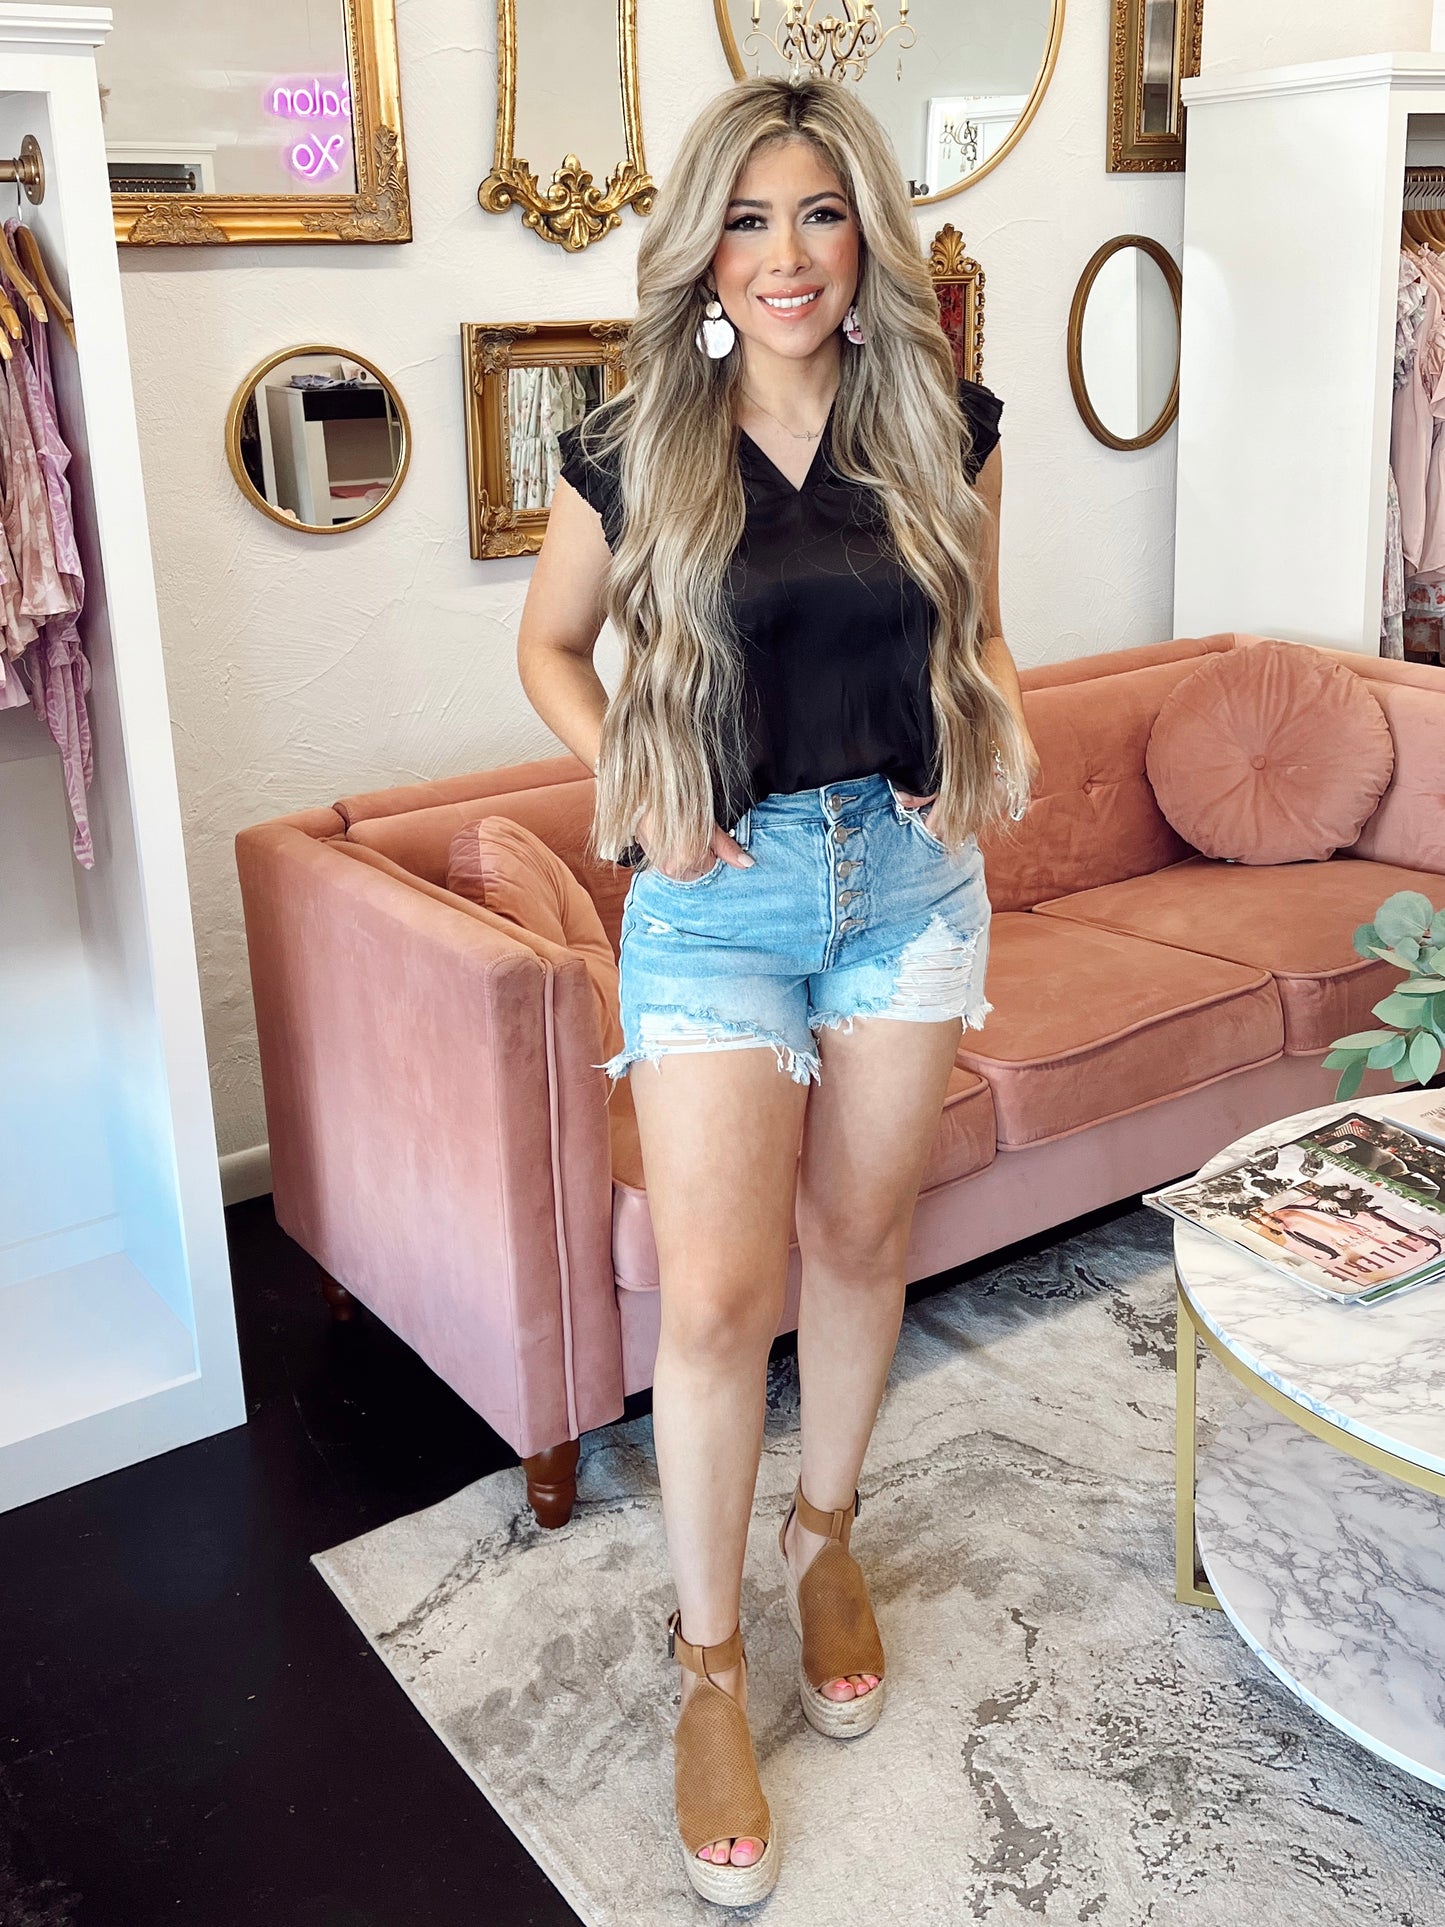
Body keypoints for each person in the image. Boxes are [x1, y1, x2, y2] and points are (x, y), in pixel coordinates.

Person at [517, 73, 1040, 1908]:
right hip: (714, 900)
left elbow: (980, 634)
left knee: (861, 1240)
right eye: (749, 217)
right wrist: (634, 782)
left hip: (908, 887)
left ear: (866, 234)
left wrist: (984, 739)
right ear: (705, 250)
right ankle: (707, 1667)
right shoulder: (631, 441)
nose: (788, 252)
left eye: (820, 212)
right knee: (722, 1300)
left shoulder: (946, 424)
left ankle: (825, 1540)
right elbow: (551, 648)